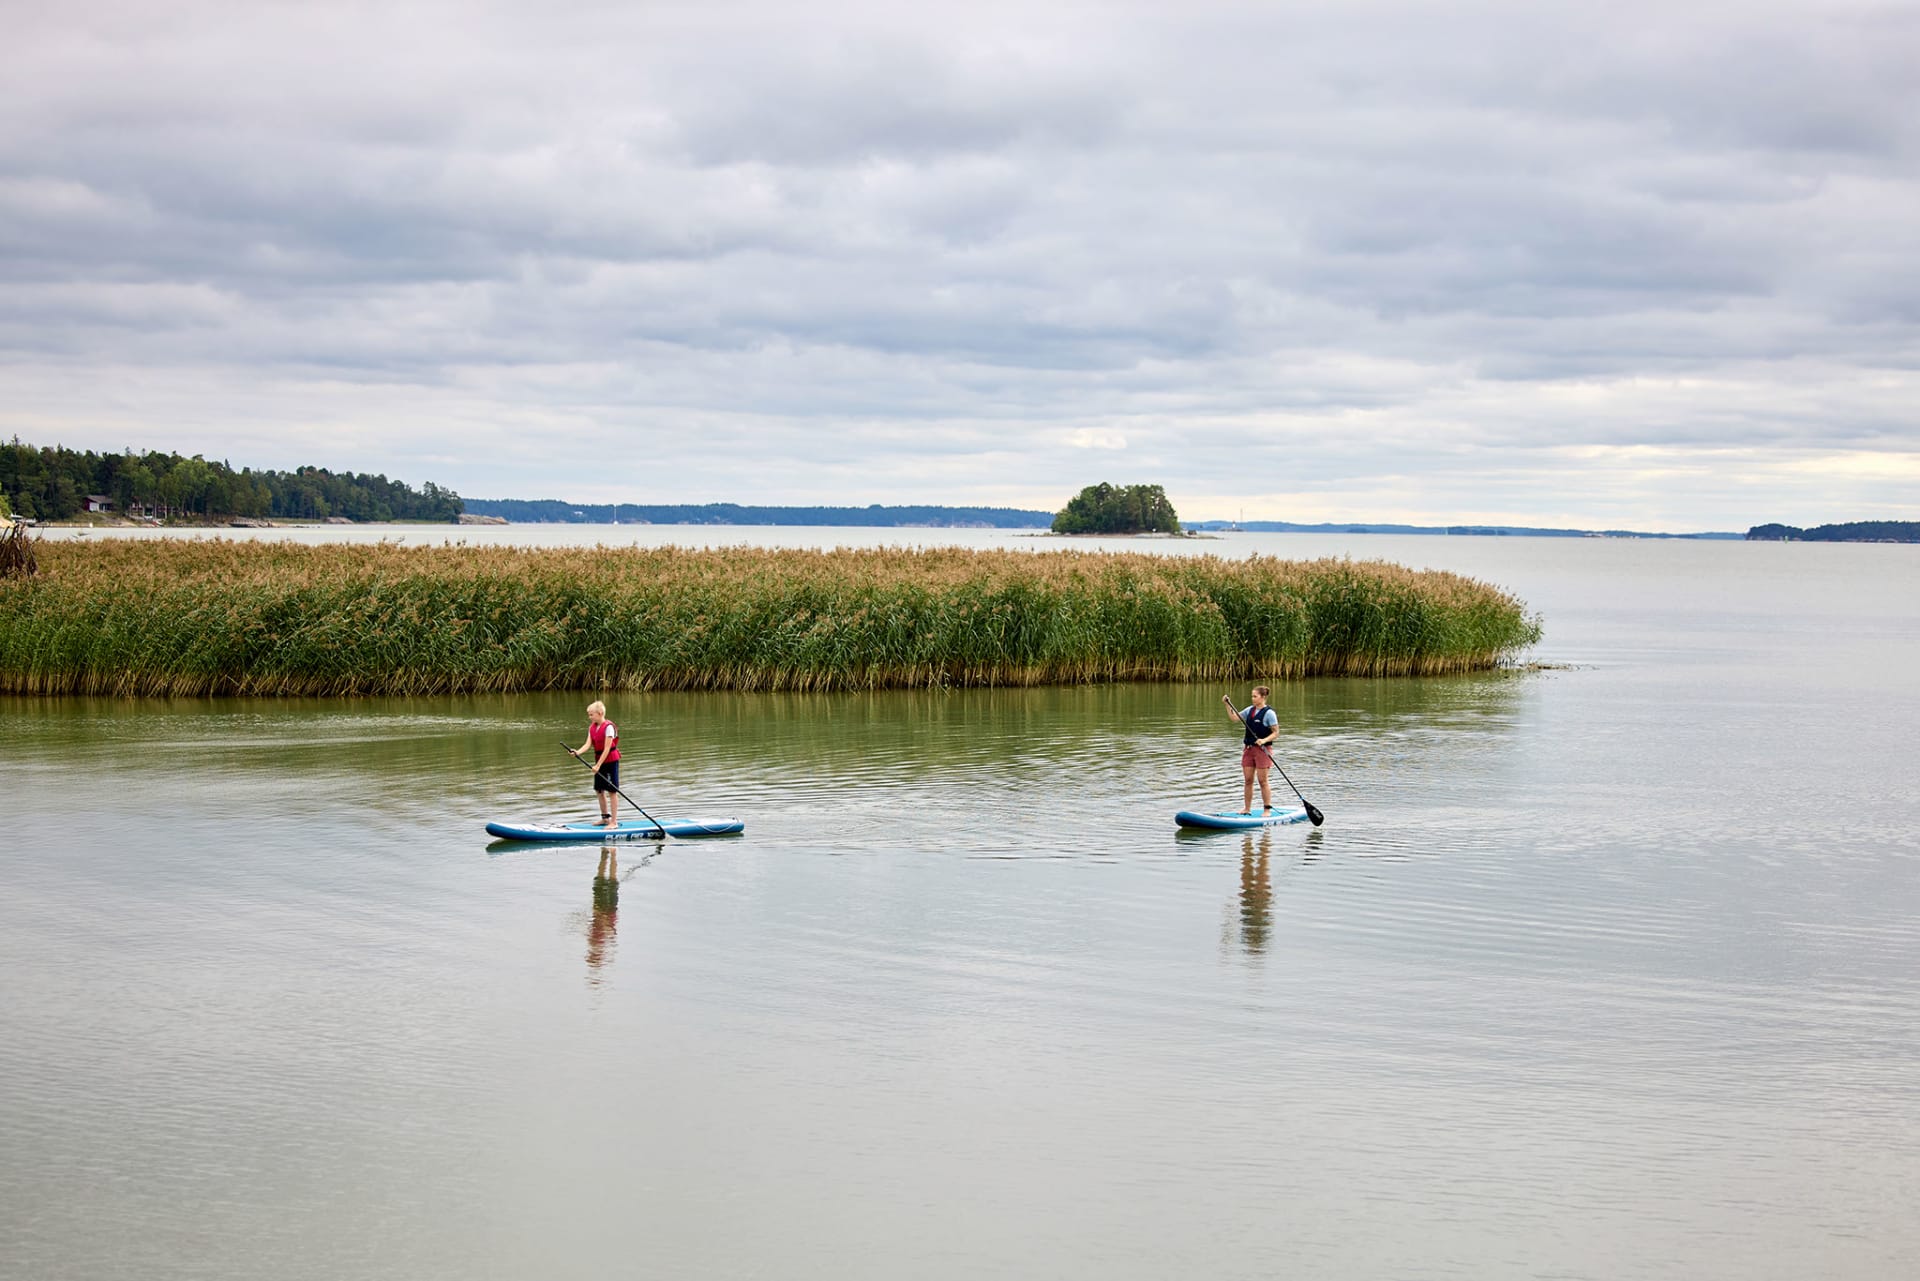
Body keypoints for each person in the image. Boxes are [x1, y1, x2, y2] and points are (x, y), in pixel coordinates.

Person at [1222, 686, 1279, 815]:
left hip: (1263, 750)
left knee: (1262, 781)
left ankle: (1267, 810)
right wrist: (1227, 705)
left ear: (1263, 697)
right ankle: (1247, 809)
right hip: (1248, 749)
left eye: (1255, 696)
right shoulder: (1250, 710)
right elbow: (1234, 718)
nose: (1252, 699)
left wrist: (1263, 740)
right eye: (1252, 696)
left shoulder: (1269, 713)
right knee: (1248, 780)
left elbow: (1276, 733)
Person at [570, 700, 622, 827]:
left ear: (600, 713)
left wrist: (598, 765)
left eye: (591, 714)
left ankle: (614, 822)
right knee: (599, 790)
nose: (589, 717)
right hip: (599, 760)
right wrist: (578, 752)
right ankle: (605, 819)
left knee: (612, 791)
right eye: (589, 714)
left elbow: (607, 749)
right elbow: (588, 744)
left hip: (610, 760)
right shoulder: (592, 727)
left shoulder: (609, 727)